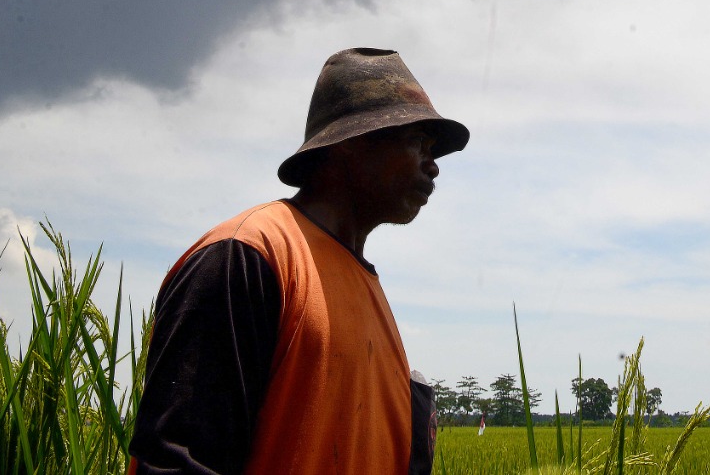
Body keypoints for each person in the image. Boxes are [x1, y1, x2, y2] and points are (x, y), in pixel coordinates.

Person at [128, 47, 469, 475]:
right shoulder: (247, 256)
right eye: (417, 141)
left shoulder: (366, 287)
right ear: (351, 142)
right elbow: (176, 462)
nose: (433, 166)